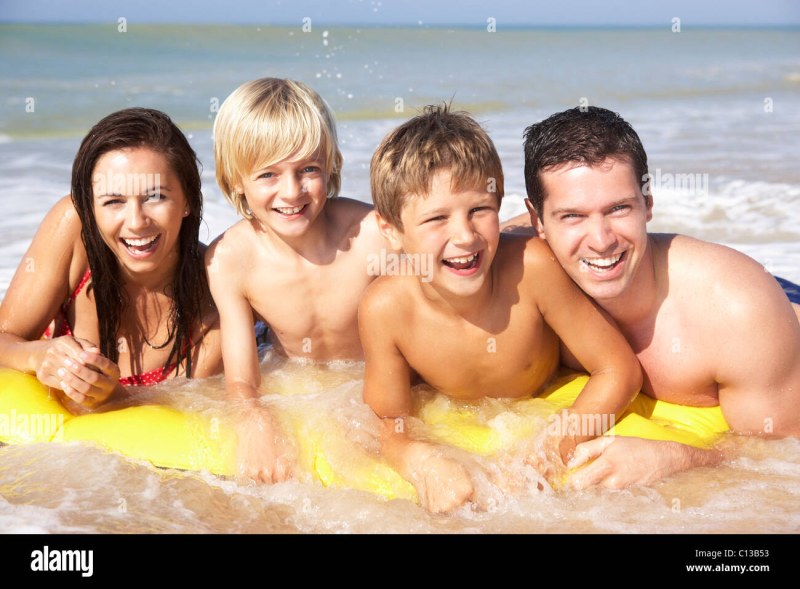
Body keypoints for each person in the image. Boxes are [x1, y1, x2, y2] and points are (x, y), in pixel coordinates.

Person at [360, 104, 642, 513]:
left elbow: (619, 369)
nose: (464, 235)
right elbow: (388, 423)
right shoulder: (384, 308)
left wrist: (546, 452)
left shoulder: (533, 269)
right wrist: (420, 460)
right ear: (390, 231)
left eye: (479, 210)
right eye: (436, 218)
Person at [520, 106, 800, 488]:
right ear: (538, 221)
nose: (601, 240)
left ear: (648, 203)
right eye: (572, 216)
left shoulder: (736, 311)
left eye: (619, 208)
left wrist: (678, 456)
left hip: (774, 302)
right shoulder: (521, 272)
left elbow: (784, 450)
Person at [207, 78, 388, 482]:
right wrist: (255, 421)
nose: (291, 192)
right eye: (268, 175)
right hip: (293, 376)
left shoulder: (372, 234)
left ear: (331, 165)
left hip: (368, 376)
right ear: (235, 179)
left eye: (308, 169)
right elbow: (241, 378)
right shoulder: (230, 260)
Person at [0, 108, 222, 409]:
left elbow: (188, 408)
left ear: (188, 201)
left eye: (155, 196)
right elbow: (4, 337)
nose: (136, 222)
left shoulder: (216, 297)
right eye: (114, 201)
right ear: (91, 208)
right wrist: (37, 355)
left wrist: (113, 397)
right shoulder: (74, 230)